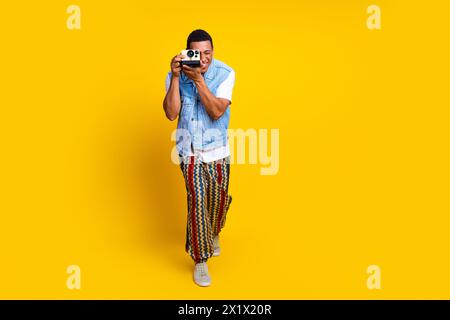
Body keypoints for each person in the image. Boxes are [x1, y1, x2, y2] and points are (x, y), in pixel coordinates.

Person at [163, 29, 235, 287]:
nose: (202, 59)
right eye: (196, 53)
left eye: (207, 53)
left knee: (217, 201)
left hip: (218, 150)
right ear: (186, 53)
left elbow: (216, 111)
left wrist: (199, 82)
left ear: (213, 52)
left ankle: (214, 231)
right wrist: (174, 77)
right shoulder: (178, 74)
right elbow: (171, 114)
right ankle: (200, 259)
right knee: (197, 200)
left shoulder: (226, 73)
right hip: (189, 148)